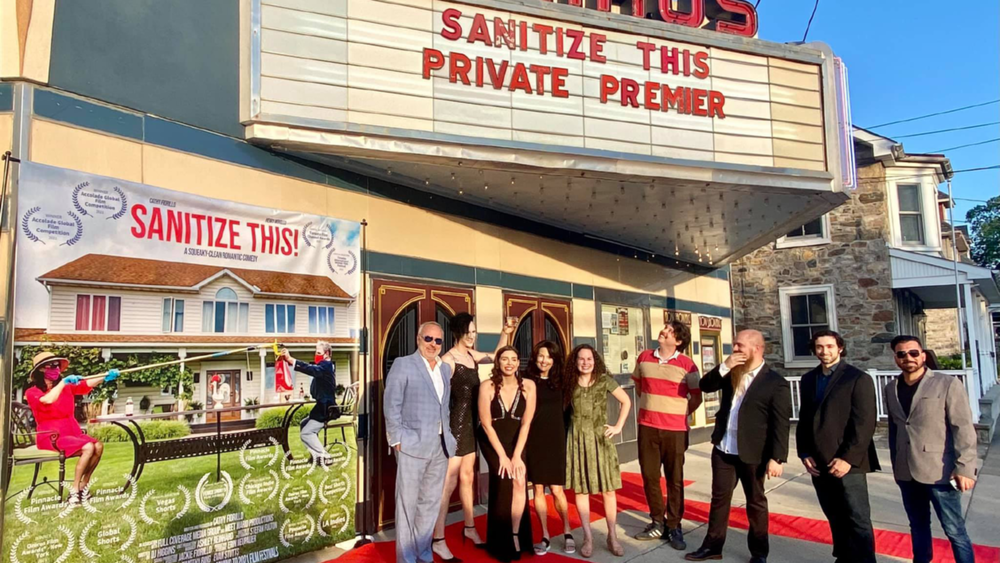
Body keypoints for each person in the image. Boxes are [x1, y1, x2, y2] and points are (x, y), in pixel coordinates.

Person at [685, 330, 791, 563]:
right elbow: (705, 386)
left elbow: (780, 424)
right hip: (724, 448)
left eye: (739, 346)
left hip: (753, 452)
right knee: (719, 499)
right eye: (734, 345)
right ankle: (712, 547)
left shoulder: (775, 383)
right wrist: (725, 364)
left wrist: (778, 457)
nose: (735, 350)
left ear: (756, 348)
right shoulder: (731, 371)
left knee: (755, 502)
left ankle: (759, 553)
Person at [885, 335, 978, 563]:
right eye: (902, 354)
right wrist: (896, 465)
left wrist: (965, 468)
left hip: (940, 472)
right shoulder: (891, 388)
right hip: (906, 472)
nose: (908, 358)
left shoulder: (947, 384)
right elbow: (895, 430)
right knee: (917, 526)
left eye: (914, 353)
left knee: (954, 530)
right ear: (896, 358)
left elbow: (963, 427)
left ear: (923, 355)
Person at [432, 314, 514, 560]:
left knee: (468, 478)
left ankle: (469, 528)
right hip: (454, 427)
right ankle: (438, 538)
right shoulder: (447, 360)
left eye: (474, 332)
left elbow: (497, 357)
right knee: (449, 484)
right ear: (457, 332)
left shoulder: (471, 356)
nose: (472, 336)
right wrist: (440, 430)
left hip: (471, 424)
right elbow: (438, 399)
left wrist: (504, 332)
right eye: (468, 332)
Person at [796, 330, 879, 563]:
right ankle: (843, 557)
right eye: (820, 347)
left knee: (857, 517)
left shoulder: (857, 378)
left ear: (840, 348)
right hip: (818, 460)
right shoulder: (809, 379)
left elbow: (864, 423)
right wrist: (804, 452)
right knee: (834, 515)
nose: (825, 351)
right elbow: (804, 419)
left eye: (830, 346)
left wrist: (848, 458)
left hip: (848, 462)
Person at [384, 322, 457, 563]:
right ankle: (406, 559)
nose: (433, 344)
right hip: (411, 446)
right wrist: (397, 440)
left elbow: (444, 407)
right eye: (428, 338)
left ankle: (424, 555)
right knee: (407, 506)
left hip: (440, 446)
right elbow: (391, 404)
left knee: (430, 505)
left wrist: (450, 437)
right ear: (418, 339)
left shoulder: (445, 369)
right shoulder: (403, 364)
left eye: (438, 341)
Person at [631, 321, 702, 549]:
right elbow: (640, 386)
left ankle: (674, 525)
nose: (663, 331)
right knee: (650, 476)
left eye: (670, 331)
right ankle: (656, 522)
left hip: (675, 431)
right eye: (665, 328)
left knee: (675, 479)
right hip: (647, 427)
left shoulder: (688, 365)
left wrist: (676, 413)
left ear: (678, 341)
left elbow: (696, 397)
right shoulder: (643, 358)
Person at [24, 352, 119, 502]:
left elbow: (86, 383)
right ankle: (74, 491)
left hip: (71, 431)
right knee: (88, 447)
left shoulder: (66, 387)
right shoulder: (32, 392)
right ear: (41, 369)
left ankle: (83, 486)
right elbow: (48, 400)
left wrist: (105, 376)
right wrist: (64, 383)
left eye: (58, 366)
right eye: (52, 365)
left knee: (98, 446)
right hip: (51, 436)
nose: (56, 369)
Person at [565, 344, 631, 558]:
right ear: (575, 361)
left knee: (609, 490)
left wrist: (618, 426)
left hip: (601, 440)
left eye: (589, 359)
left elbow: (626, 401)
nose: (586, 362)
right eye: (581, 359)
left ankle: (612, 536)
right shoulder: (569, 383)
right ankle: (588, 537)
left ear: (595, 361)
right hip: (576, 441)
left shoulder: (604, 380)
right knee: (581, 491)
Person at [478, 346, 536, 562]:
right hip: (492, 440)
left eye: (513, 358)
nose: (509, 363)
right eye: (504, 359)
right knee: (504, 479)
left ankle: (514, 534)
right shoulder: (488, 386)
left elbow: (526, 423)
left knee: (520, 480)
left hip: (517, 439)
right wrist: (503, 456)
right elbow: (485, 424)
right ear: (498, 362)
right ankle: (499, 541)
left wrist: (517, 456)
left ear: (518, 362)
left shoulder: (529, 386)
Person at [524, 340, 573, 555]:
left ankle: (567, 530)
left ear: (555, 359)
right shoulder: (527, 381)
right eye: (540, 356)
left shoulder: (563, 382)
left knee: (556, 489)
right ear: (535, 358)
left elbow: (570, 413)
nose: (544, 360)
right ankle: (544, 534)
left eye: (548, 356)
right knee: (537, 488)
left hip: (556, 439)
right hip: (534, 439)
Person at [280, 341, 338, 463]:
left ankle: (325, 457)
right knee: (303, 423)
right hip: (323, 405)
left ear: (326, 354)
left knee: (306, 433)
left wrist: (291, 360)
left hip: (325, 408)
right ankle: (315, 456)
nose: (316, 355)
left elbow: (311, 369)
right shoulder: (325, 366)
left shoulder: (325, 366)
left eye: (318, 353)